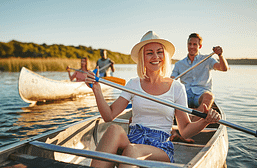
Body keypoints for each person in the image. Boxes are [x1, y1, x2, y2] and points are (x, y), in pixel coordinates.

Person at [85, 31, 221, 167]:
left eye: (159, 52)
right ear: (142, 57)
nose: (155, 56)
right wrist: (96, 89)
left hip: (160, 147)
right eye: (149, 52)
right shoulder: (133, 84)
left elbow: (185, 130)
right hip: (133, 139)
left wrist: (205, 122)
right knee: (113, 129)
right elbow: (108, 116)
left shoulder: (177, 87)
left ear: (164, 55)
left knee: (132, 150)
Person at [171, 33, 229, 121]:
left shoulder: (208, 59)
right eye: (190, 44)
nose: (191, 47)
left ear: (200, 46)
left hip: (201, 94)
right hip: (185, 93)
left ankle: (192, 119)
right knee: (171, 95)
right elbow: (171, 80)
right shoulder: (179, 64)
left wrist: (220, 55)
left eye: (195, 44)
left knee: (209, 97)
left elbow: (224, 68)